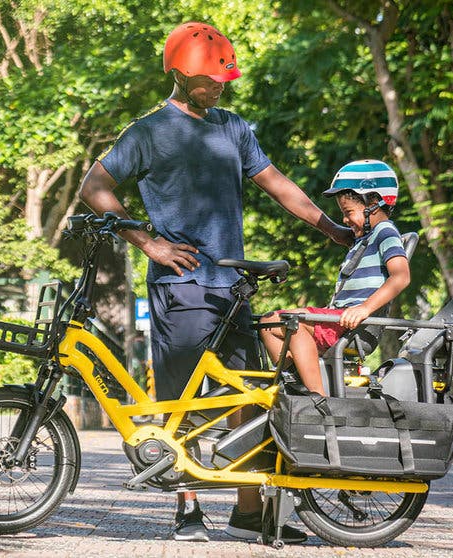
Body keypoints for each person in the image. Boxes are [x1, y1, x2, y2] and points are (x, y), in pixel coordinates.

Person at [77, 21, 352, 544]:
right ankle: (187, 509)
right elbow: (96, 186)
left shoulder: (233, 127)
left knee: (244, 397)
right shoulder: (148, 131)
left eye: (224, 77)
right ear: (179, 73)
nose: (220, 85)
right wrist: (148, 243)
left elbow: (277, 184)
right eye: (210, 78)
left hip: (231, 288)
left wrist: (330, 227)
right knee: (181, 400)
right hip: (180, 287)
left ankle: (249, 511)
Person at [259, 160, 410, 395]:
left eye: (348, 212)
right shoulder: (362, 240)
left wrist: (364, 309)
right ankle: (295, 381)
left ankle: (317, 397)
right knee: (269, 323)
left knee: (290, 322)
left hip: (350, 323)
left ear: (374, 203)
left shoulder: (386, 232)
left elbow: (400, 276)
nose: (345, 220)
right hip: (337, 320)